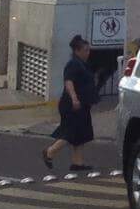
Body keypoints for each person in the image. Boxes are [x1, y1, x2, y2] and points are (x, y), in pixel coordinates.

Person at [42, 34, 98, 172]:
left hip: (82, 105)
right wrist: (74, 98)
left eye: (88, 50)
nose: (88, 53)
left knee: (81, 134)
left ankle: (77, 163)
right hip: (71, 105)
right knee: (70, 132)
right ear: (77, 51)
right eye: (85, 50)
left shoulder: (83, 64)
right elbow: (69, 82)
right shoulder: (73, 64)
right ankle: (49, 152)